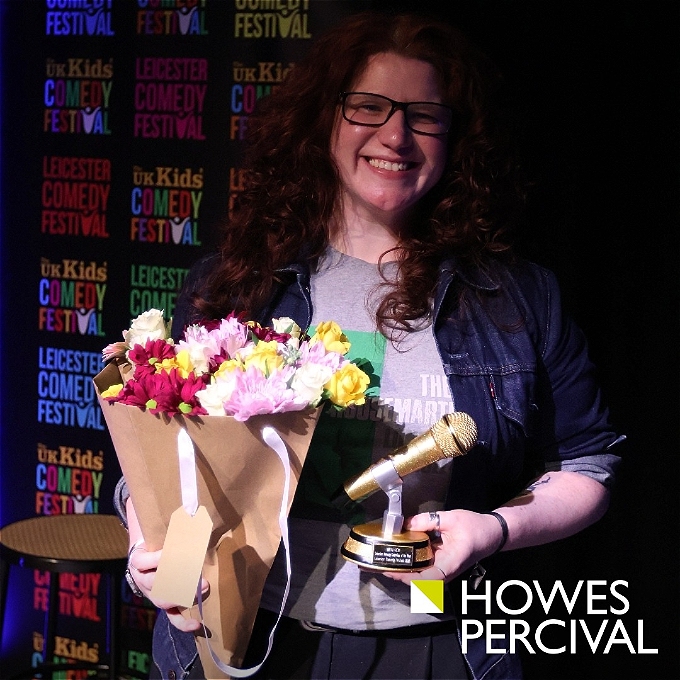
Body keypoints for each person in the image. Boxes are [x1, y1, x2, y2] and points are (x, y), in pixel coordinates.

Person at [114, 10, 623, 680]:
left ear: (455, 137)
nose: (396, 135)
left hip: (440, 647)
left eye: (425, 115)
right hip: (248, 641)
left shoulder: (516, 299)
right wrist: (147, 549)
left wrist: (493, 530)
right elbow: (165, 458)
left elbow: (588, 464)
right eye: (369, 106)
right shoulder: (237, 284)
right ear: (325, 118)